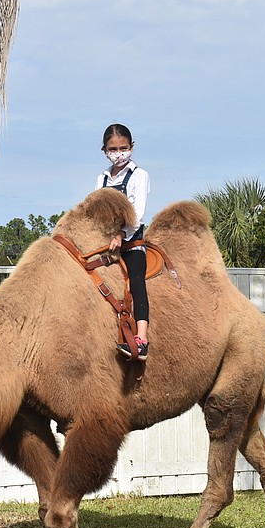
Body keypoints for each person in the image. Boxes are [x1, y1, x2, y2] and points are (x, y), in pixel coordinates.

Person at [95, 123, 151, 360]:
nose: (118, 153)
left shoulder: (139, 176)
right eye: (113, 149)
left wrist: (121, 234)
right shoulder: (102, 178)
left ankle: (142, 339)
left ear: (131, 147)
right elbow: (96, 209)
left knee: (137, 281)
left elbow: (137, 214)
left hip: (131, 243)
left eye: (123, 148)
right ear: (104, 150)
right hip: (105, 242)